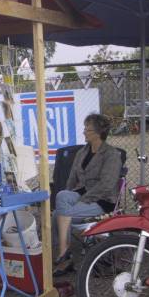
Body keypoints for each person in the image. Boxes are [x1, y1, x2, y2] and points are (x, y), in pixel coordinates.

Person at [53, 114, 123, 276]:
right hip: (82, 196)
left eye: (87, 129)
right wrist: (69, 195)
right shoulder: (83, 151)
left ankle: (65, 257)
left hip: (102, 202)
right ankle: (65, 253)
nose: (84, 132)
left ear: (98, 133)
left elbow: (106, 185)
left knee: (58, 214)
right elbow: (72, 178)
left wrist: (79, 203)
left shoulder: (111, 155)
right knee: (62, 195)